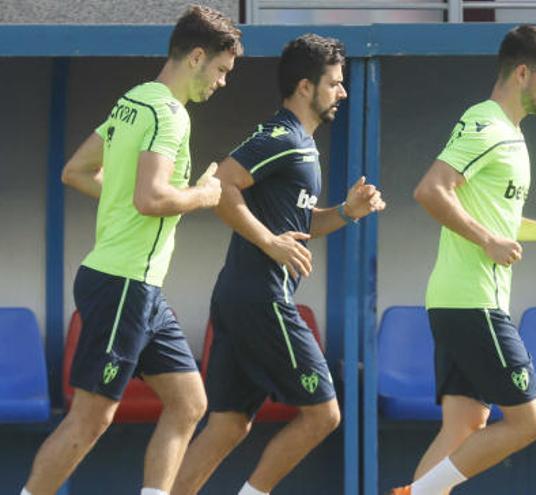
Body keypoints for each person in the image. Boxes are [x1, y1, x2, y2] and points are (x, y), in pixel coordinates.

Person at [21, 6, 242, 495]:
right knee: (91, 419)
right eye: (222, 71)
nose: (223, 83)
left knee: (189, 403)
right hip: (124, 283)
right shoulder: (170, 114)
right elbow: (151, 199)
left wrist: (132, 196)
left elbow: (75, 172)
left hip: (137, 287)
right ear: (197, 57)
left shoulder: (133, 101)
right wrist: (205, 196)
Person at [171, 34, 385, 495]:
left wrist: (347, 212)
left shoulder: (302, 145)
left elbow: (302, 227)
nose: (343, 93)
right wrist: (270, 243)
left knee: (228, 426)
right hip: (260, 298)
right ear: (305, 87)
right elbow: (222, 186)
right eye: (335, 83)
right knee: (324, 414)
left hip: (241, 296)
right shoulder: (282, 136)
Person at [390, 24, 536, 495]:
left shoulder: (510, 133)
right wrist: (487, 241)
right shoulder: (486, 123)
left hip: (459, 302)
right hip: (473, 303)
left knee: (464, 426)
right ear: (521, 72)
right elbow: (430, 190)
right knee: (530, 421)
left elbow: (492, 217)